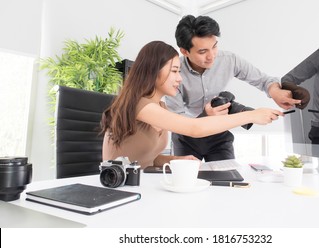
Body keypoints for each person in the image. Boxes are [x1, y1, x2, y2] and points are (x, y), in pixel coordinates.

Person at [101, 41, 283, 169]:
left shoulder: (161, 108)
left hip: (143, 183)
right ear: (153, 71)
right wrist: (251, 115)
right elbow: (194, 128)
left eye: (179, 71)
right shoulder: (140, 105)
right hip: (119, 186)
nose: (179, 78)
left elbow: (147, 159)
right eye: (174, 71)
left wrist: (176, 160)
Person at [165, 15, 301, 162]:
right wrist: (206, 115)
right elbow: (177, 120)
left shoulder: (229, 60)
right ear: (185, 51)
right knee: (186, 182)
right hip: (186, 138)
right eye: (203, 52)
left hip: (219, 133)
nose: (212, 56)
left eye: (214, 46)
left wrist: (275, 91)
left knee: (228, 179)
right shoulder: (173, 72)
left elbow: (264, 80)